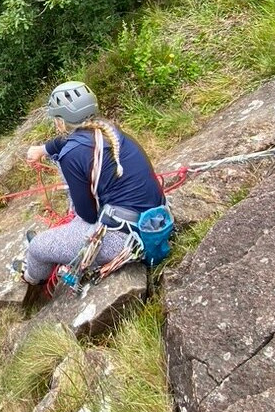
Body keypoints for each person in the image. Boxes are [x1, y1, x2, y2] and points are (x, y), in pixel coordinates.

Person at [15, 81, 164, 285]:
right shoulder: (107, 130)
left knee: (38, 248)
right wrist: (43, 149)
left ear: (60, 121)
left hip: (123, 238)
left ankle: (31, 278)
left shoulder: (72, 155)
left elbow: (88, 214)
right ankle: (59, 244)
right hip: (152, 217)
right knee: (64, 230)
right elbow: (65, 142)